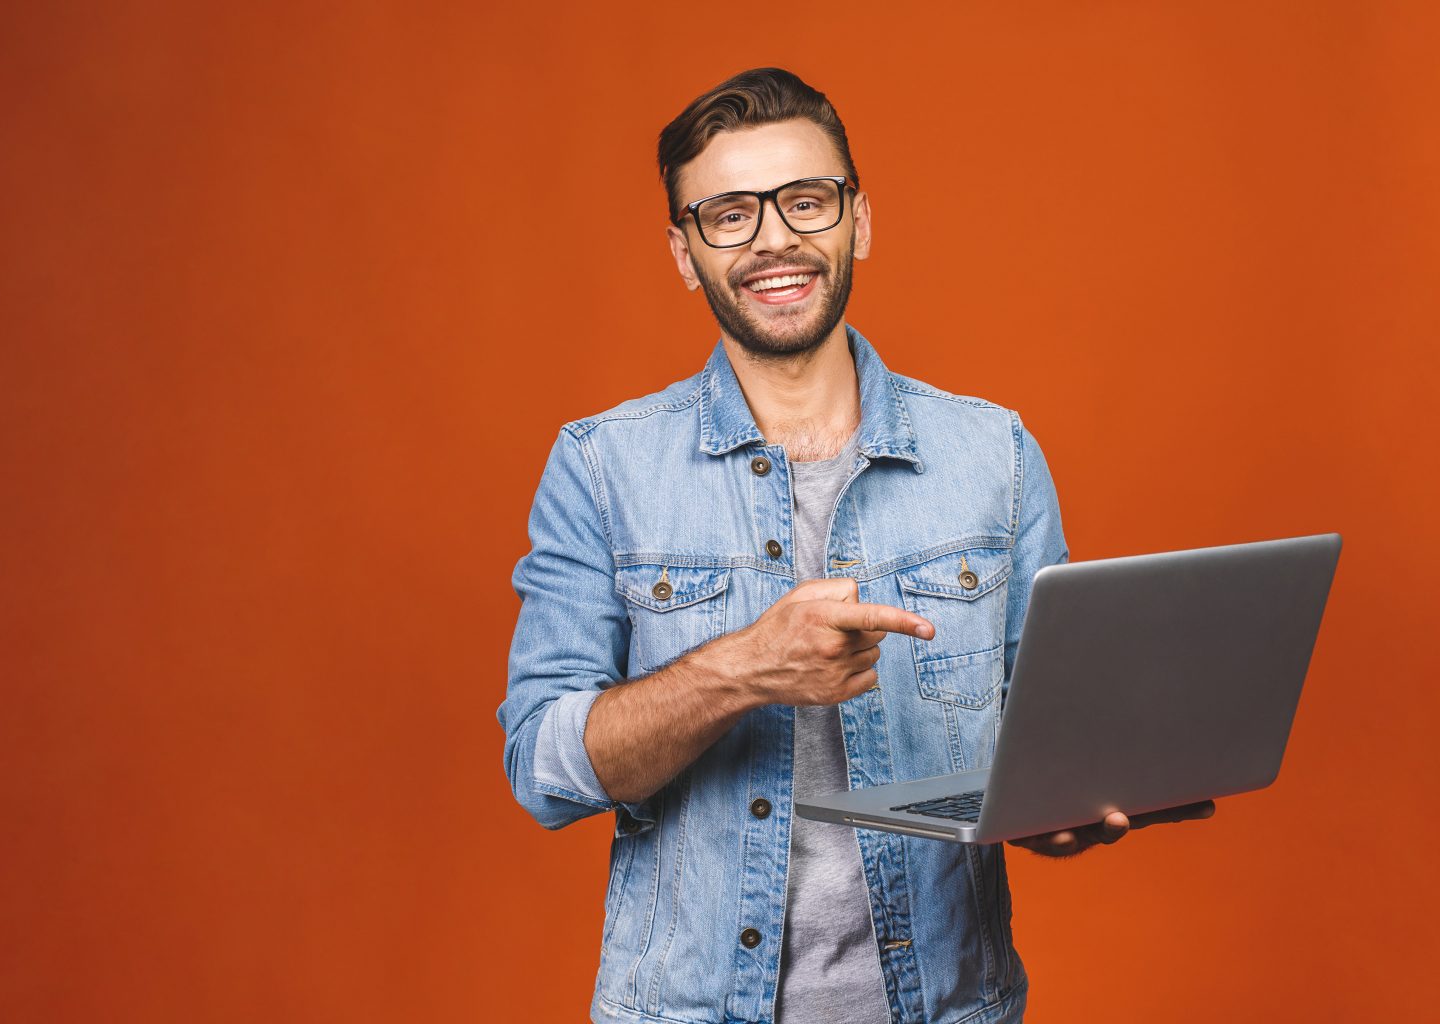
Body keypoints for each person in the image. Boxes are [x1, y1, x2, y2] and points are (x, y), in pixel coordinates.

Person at [498, 67, 1212, 1024]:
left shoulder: (993, 454)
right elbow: (542, 770)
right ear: (683, 251)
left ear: (859, 221)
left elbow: (1047, 736)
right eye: (728, 215)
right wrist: (745, 668)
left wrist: (1063, 807)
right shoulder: (600, 467)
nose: (774, 240)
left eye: (805, 201)